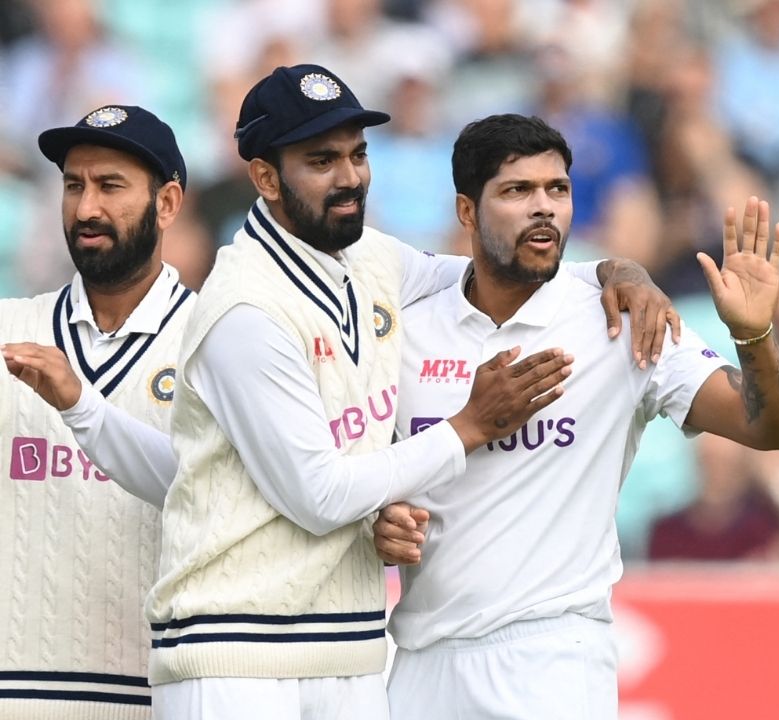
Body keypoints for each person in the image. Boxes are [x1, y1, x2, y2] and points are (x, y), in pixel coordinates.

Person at [110, 65, 675, 720]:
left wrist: (617, 270)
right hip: (237, 653)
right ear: (264, 178)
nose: (349, 177)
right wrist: (467, 427)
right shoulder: (246, 308)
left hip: (346, 650)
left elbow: (496, 267)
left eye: (357, 154)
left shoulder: (368, 257)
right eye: (320, 160)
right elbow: (320, 496)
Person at [371, 113, 779, 719]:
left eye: (559, 189)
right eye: (517, 191)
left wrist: (754, 336)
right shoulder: (408, 331)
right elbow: (363, 487)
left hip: (554, 659)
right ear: (467, 212)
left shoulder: (627, 321)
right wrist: (377, 527)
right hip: (418, 660)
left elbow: (771, 428)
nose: (543, 208)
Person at [0, 105, 190, 717]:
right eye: (73, 185)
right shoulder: (9, 328)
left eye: (110, 186)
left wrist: (81, 404)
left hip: (161, 696)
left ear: (166, 205)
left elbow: (215, 495)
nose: (85, 209)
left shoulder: (219, 340)